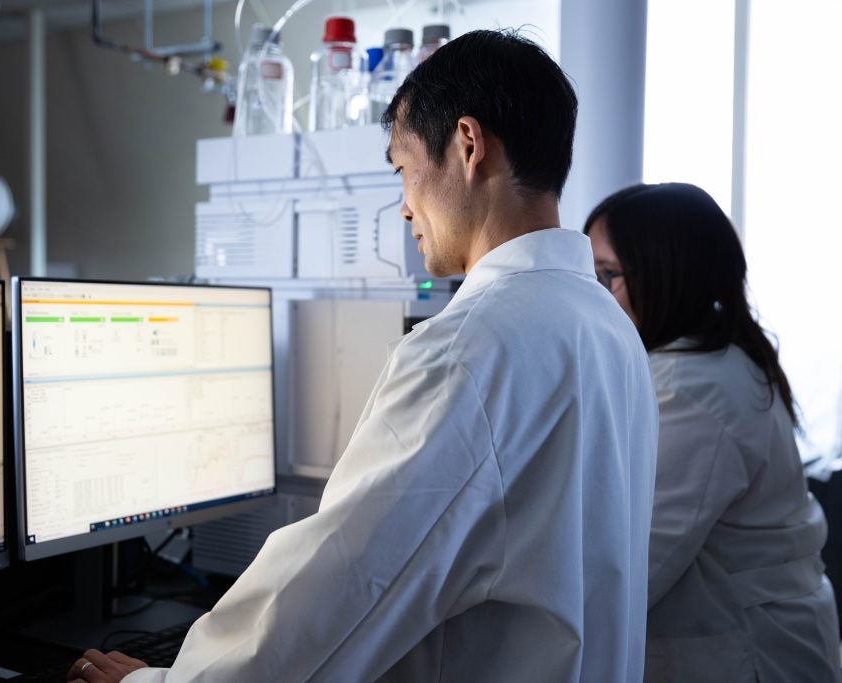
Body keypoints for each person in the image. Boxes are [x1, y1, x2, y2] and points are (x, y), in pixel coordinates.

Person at [68, 29, 659, 683]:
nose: (404, 206)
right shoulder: (607, 326)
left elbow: (337, 596)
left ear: (468, 144)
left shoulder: (470, 348)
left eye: (404, 170)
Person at [584, 182, 842, 682]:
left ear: (670, 274)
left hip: (750, 650)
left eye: (607, 275)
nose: (595, 294)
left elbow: (633, 565)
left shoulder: (693, 392)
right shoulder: (704, 359)